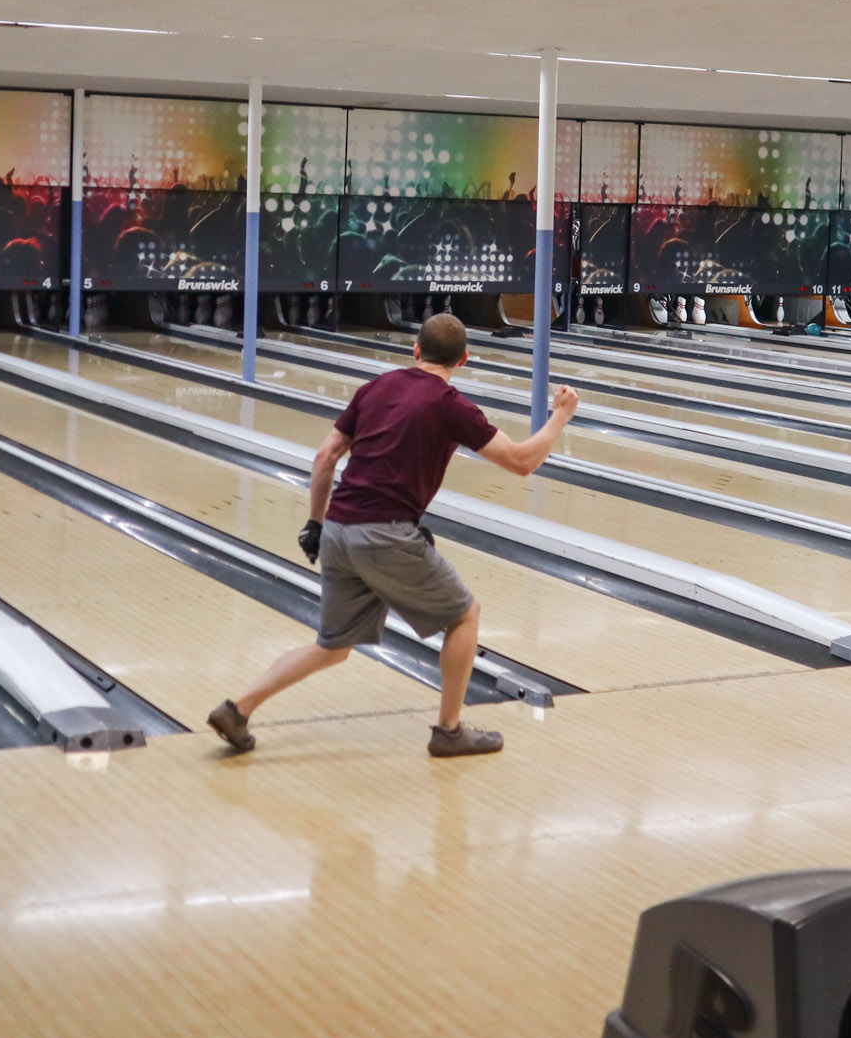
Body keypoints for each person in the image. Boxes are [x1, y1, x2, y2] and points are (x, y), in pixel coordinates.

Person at [208, 312, 579, 759]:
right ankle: (448, 731)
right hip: (384, 535)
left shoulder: (375, 388)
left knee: (332, 647)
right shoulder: (451, 405)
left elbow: (326, 457)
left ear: (416, 350)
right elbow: (521, 461)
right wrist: (560, 417)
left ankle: (238, 709)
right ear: (464, 360)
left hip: (340, 531)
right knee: (465, 615)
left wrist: (315, 523)